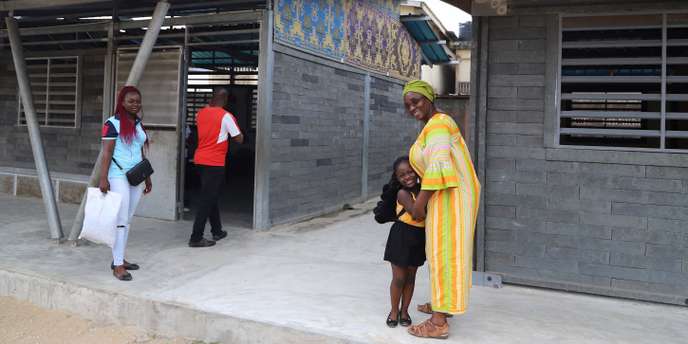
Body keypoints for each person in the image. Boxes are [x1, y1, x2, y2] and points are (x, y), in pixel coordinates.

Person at [402, 80, 481, 339]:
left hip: (450, 197)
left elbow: (437, 165)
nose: (412, 107)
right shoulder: (435, 125)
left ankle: (438, 323)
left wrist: (418, 206)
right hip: (447, 196)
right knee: (443, 253)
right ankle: (442, 305)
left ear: (429, 98)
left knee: (445, 253)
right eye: (408, 104)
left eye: (416, 101)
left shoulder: (438, 124)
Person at [99, 86, 153, 281]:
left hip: (136, 176)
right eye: (131, 101)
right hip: (118, 176)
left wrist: (147, 176)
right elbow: (106, 153)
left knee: (127, 219)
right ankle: (118, 265)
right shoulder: (112, 123)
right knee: (121, 220)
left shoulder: (138, 123)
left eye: (138, 101)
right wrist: (103, 178)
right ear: (121, 102)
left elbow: (139, 151)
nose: (135, 104)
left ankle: (119, 257)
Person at [190, 88, 244, 248]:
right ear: (225, 99)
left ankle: (217, 230)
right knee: (207, 199)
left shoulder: (200, 113)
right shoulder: (226, 116)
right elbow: (238, 138)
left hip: (200, 159)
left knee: (210, 195)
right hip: (214, 162)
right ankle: (196, 237)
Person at [383, 156, 425, 328]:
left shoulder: (423, 189)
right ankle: (394, 311)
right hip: (401, 236)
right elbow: (417, 214)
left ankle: (404, 310)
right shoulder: (403, 193)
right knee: (399, 278)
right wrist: (428, 191)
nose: (407, 177)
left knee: (411, 277)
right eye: (402, 175)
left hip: (418, 237)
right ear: (397, 178)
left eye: (410, 172)